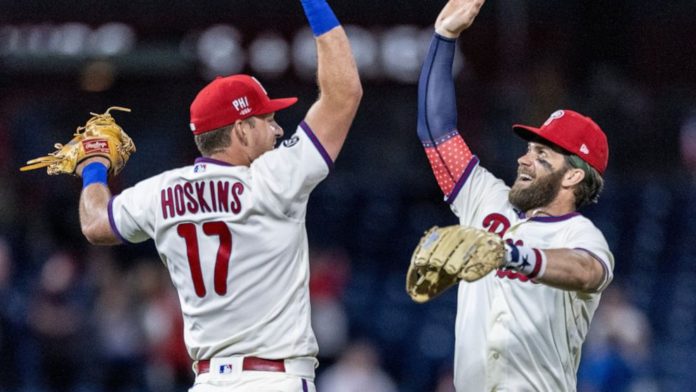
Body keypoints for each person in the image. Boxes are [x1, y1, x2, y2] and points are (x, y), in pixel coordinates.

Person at [74, 0, 362, 390]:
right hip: (274, 380)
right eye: (268, 120)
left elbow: (95, 223)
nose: (277, 131)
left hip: (208, 382)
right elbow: (343, 93)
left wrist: (92, 165)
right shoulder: (273, 179)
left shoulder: (160, 192)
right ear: (241, 131)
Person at [416, 0, 614, 391]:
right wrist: (444, 37)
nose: (525, 159)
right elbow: (434, 130)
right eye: (529, 149)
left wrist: (513, 255)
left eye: (542, 155)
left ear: (573, 175)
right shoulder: (485, 197)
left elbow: (584, 271)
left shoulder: (582, 235)